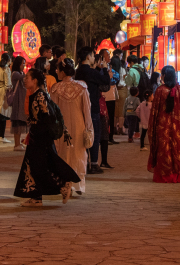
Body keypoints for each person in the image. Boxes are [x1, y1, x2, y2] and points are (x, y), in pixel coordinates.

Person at [14, 69, 82, 206]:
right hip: (36, 137)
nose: (25, 79)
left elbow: (48, 117)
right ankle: (36, 197)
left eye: (27, 77)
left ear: (35, 81)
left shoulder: (40, 96)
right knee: (33, 166)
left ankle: (63, 185)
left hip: (41, 139)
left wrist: (38, 131)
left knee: (41, 167)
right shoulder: (36, 95)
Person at [48, 58, 93, 196]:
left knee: (63, 153)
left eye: (57, 69)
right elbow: (87, 110)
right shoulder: (82, 87)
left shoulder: (56, 89)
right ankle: (78, 184)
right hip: (79, 126)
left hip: (62, 128)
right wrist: (89, 128)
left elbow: (53, 112)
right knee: (78, 153)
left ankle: (65, 184)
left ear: (62, 71)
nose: (56, 72)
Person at [147, 66, 180, 183]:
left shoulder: (159, 91)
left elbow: (154, 111)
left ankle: (164, 176)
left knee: (163, 149)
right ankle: (177, 175)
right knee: (178, 148)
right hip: (178, 126)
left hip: (162, 126)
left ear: (164, 76)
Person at [75, 47, 111, 174]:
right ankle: (94, 164)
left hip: (79, 107)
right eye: (92, 55)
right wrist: (105, 69)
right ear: (88, 57)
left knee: (81, 135)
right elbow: (106, 81)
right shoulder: (91, 72)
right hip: (92, 106)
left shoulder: (78, 71)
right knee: (93, 134)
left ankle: (84, 162)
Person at [9, 55, 28, 151]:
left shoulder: (20, 73)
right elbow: (25, 78)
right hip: (17, 100)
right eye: (23, 64)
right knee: (17, 122)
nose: (24, 65)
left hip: (21, 100)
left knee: (20, 123)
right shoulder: (16, 74)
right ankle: (17, 144)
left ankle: (18, 143)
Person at [105, 52, 121, 142]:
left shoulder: (111, 70)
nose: (109, 57)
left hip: (111, 95)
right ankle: (106, 137)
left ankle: (110, 136)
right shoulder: (102, 69)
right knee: (105, 116)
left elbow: (115, 79)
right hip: (105, 95)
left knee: (111, 116)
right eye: (107, 55)